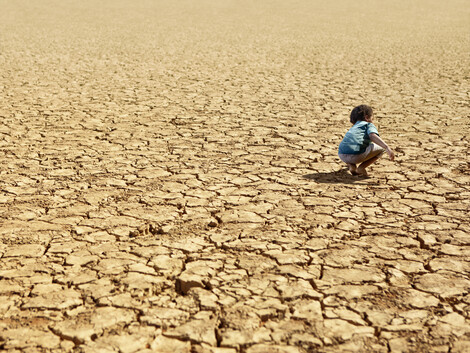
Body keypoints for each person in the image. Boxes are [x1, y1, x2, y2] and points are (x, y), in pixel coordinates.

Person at [338, 105, 395, 176]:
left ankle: (351, 165)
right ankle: (361, 168)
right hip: (357, 156)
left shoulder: (354, 127)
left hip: (342, 155)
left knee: (351, 147)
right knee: (381, 149)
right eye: (372, 118)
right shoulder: (368, 124)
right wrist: (386, 147)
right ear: (367, 117)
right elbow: (372, 135)